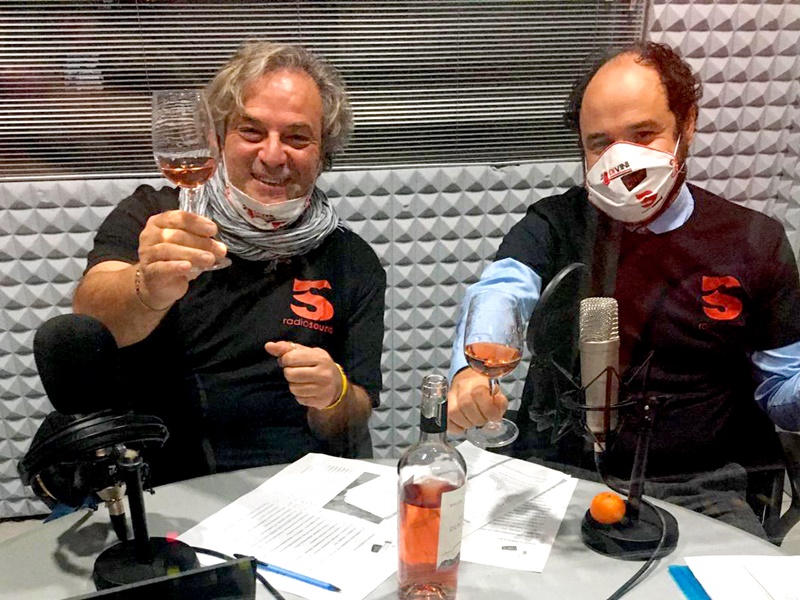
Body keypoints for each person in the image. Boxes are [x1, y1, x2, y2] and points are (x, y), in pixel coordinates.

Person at [447, 41, 800, 535]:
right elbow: (501, 291)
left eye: (643, 134)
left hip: (700, 486)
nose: (622, 161)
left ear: (687, 124)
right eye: (600, 143)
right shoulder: (555, 224)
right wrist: (471, 372)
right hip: (560, 471)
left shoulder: (754, 241)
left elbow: (782, 388)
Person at [72, 41, 386, 484]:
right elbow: (92, 320)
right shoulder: (155, 217)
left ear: (323, 153)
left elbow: (354, 416)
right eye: (251, 132)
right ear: (218, 139)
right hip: (168, 480)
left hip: (295, 483)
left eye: (297, 137)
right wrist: (147, 286)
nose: (272, 156)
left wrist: (334, 396)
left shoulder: (351, 260)